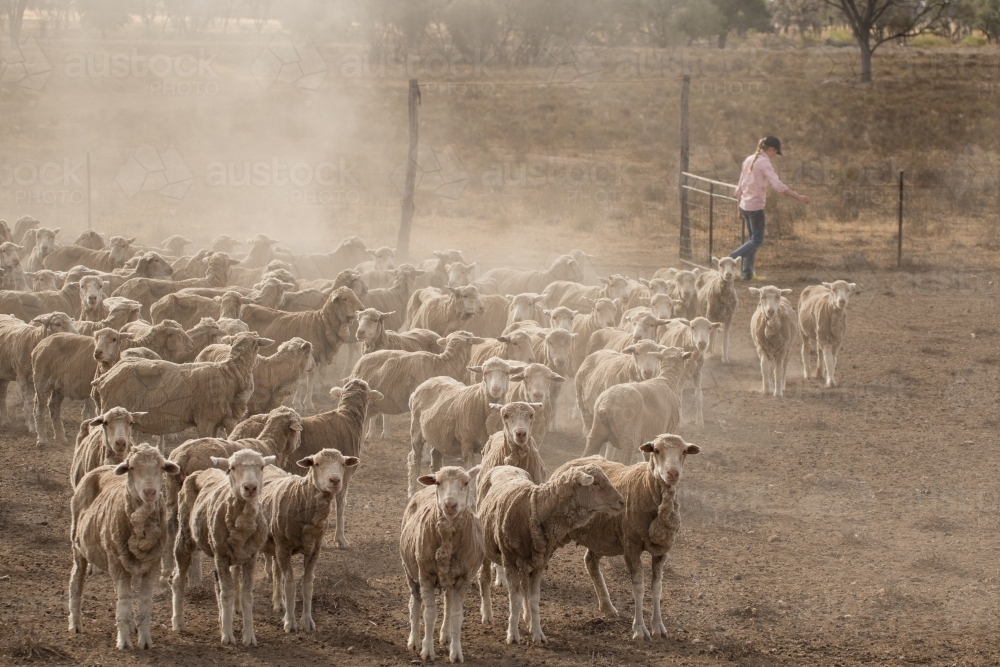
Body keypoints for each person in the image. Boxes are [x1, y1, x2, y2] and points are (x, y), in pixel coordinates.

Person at [730, 136, 809, 281]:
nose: (774, 156)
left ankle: (747, 273)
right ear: (772, 149)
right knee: (757, 240)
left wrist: (738, 208)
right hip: (755, 207)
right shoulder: (764, 163)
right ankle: (731, 259)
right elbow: (778, 185)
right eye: (775, 153)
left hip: (746, 205)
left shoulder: (749, 160)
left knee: (752, 240)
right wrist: (798, 197)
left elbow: (740, 186)